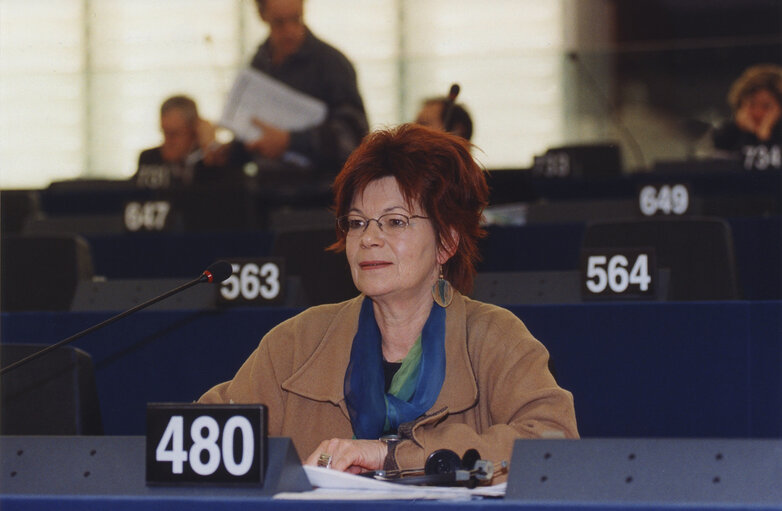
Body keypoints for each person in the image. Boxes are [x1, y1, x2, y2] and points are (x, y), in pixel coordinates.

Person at [198, 123, 578, 482]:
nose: (369, 238)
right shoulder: (297, 342)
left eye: (395, 222)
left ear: (446, 241)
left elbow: (554, 444)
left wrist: (390, 454)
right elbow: (204, 435)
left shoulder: (495, 338)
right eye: (357, 222)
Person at [223, 0, 368, 177]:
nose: (290, 31)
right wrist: (228, 151)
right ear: (262, 16)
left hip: (319, 194)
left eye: (296, 19)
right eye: (279, 23)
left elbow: (354, 136)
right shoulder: (259, 64)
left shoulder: (331, 64)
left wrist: (291, 141)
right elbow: (252, 132)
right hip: (266, 190)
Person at [134, 95, 226, 189]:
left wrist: (210, 148)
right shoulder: (150, 159)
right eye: (164, 133)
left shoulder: (209, 161)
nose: (167, 141)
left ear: (194, 130)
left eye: (174, 134)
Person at [712, 64, 782, 170]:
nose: (758, 112)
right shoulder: (726, 135)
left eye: (766, 106)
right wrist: (748, 134)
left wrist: (764, 138)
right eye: (752, 105)